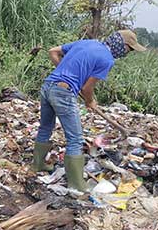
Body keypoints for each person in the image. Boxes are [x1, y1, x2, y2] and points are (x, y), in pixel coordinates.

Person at [33, 30, 146, 191]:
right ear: (122, 45)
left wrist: (66, 74)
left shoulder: (87, 43)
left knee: (45, 127)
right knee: (76, 139)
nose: (128, 53)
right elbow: (87, 88)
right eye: (130, 49)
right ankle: (77, 185)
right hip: (63, 93)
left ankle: (37, 165)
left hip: (48, 86)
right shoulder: (107, 59)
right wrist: (90, 100)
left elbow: (53, 51)